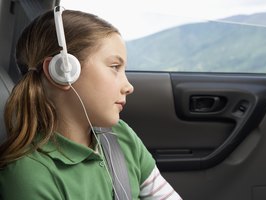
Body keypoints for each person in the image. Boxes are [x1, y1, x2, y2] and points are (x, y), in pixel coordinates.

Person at [0, 6, 182, 200]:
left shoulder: (122, 136)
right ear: (63, 71)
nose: (128, 86)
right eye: (114, 67)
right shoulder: (29, 176)